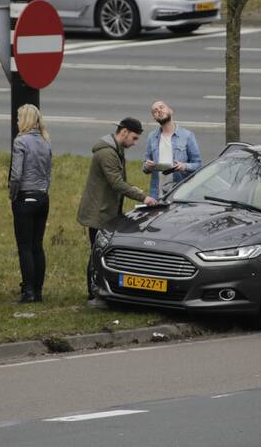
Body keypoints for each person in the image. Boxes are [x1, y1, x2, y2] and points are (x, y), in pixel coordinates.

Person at [76, 117, 158, 302]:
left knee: (103, 252)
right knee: (97, 254)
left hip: (106, 211)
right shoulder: (108, 153)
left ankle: (103, 291)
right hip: (99, 212)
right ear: (124, 132)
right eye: (134, 138)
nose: (135, 143)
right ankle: (94, 293)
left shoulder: (116, 149)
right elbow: (116, 183)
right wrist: (143, 196)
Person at [8, 104, 53, 303]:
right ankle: (38, 290)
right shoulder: (46, 140)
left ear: (24, 120)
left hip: (25, 196)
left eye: (19, 118)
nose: (17, 121)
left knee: (24, 246)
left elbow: (16, 174)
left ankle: (28, 291)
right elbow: (48, 172)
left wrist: (12, 193)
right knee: (37, 245)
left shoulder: (20, 141)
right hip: (42, 196)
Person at [142, 100, 202, 198]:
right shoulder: (152, 137)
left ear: (170, 110)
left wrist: (184, 166)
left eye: (161, 107)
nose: (159, 111)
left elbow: (198, 164)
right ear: (154, 118)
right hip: (157, 193)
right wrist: (147, 166)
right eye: (155, 111)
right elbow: (145, 167)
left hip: (180, 192)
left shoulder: (187, 135)